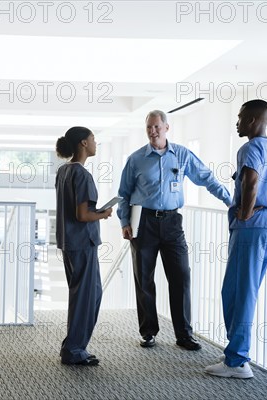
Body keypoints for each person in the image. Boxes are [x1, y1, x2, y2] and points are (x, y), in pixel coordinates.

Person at [117, 110, 232, 350]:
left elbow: (206, 177)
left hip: (172, 223)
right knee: (144, 278)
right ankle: (148, 332)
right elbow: (124, 194)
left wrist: (229, 201)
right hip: (144, 222)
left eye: (157, 126)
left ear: (166, 127)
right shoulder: (136, 159)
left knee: (181, 276)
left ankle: (184, 334)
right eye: (149, 127)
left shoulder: (181, 154)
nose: (152, 131)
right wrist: (124, 222)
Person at [205, 99, 267, 379]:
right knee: (243, 290)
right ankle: (236, 354)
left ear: (252, 120)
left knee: (238, 292)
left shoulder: (249, 147)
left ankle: (237, 360)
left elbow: (251, 182)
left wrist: (244, 214)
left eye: (240, 118)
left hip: (252, 228)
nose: (237, 123)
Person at [55, 126, 113, 366]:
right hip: (82, 242)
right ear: (83, 144)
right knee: (87, 297)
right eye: (92, 139)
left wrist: (94, 213)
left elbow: (74, 209)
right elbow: (82, 215)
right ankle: (75, 349)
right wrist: (104, 214)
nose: (95, 143)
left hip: (69, 241)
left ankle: (73, 345)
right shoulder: (82, 175)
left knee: (81, 295)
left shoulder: (63, 171)